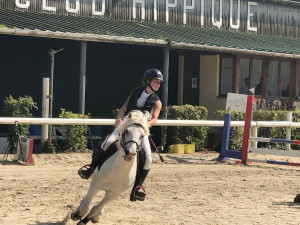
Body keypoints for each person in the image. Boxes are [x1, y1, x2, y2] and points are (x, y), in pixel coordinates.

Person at [78, 68, 163, 201]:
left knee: (148, 158)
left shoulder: (157, 102)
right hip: (125, 125)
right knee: (108, 142)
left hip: (141, 130)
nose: (158, 84)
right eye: (155, 81)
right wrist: (119, 118)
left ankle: (138, 186)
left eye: (159, 82)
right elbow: (124, 108)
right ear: (147, 81)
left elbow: (154, 119)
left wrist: (143, 125)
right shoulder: (135, 92)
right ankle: (91, 168)